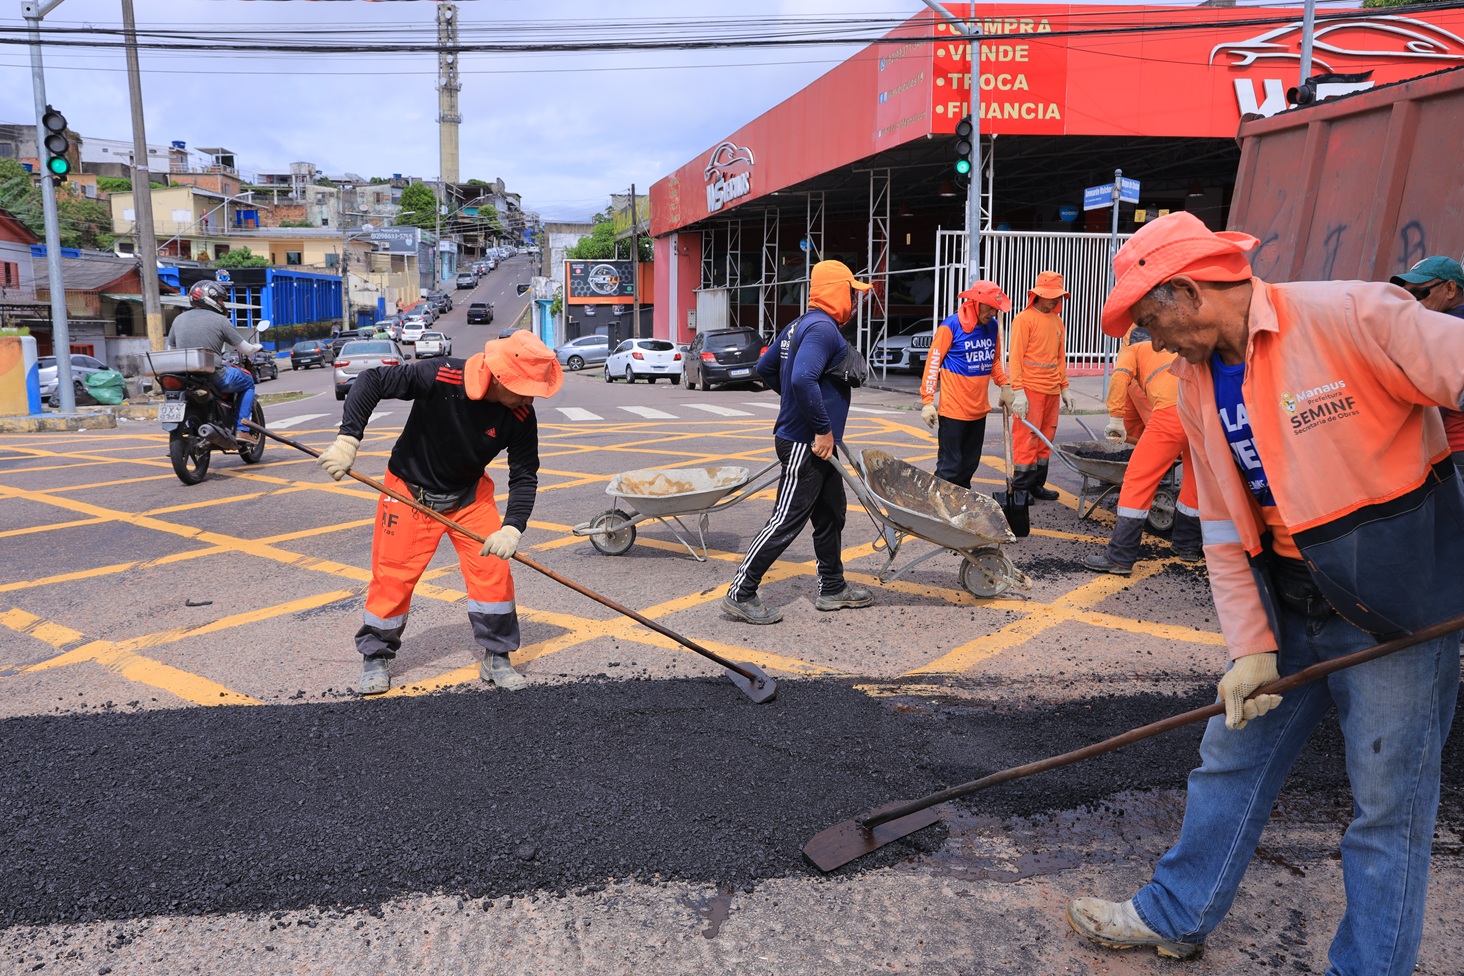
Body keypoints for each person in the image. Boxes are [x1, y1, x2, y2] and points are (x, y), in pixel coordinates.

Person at [1065, 211, 1464, 974]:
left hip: (1395, 615)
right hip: (1287, 606)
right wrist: (1251, 645)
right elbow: (1221, 523)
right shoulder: (1194, 384)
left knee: (1389, 809)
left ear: (1190, 293)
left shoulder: (1353, 317)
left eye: (1152, 323)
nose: (1155, 345)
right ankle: (1176, 914)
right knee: (1229, 760)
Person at [314, 331, 563, 695]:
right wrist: (348, 439)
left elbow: (524, 474)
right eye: (524, 388)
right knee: (393, 577)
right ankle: (375, 655)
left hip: (469, 496)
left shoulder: (521, 415)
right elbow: (371, 380)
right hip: (408, 492)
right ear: (499, 376)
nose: (529, 397)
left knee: (493, 573)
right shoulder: (440, 375)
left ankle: (497, 655)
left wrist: (512, 528)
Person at [722, 259, 875, 625]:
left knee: (831, 514)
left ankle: (833, 588)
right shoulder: (822, 329)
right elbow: (802, 379)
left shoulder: (799, 324)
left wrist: (800, 407)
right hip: (807, 443)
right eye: (851, 293)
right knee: (786, 520)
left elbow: (765, 369)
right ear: (837, 292)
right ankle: (740, 592)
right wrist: (821, 428)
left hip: (817, 444)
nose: (855, 301)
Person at [1081, 326, 1202, 573]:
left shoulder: (1132, 350)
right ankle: (1187, 545)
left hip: (1171, 414)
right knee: (1195, 480)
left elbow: (1120, 376)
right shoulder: (1172, 349)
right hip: (1201, 413)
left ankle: (1120, 557)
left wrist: (1116, 418)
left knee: (1138, 481)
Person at [919, 280, 1015, 489]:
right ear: (975, 302)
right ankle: (938, 506)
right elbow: (933, 363)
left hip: (979, 411)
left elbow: (994, 361)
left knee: (968, 466)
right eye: (989, 307)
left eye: (996, 308)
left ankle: (960, 503)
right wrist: (927, 401)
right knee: (949, 468)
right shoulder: (951, 326)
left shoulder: (992, 327)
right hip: (954, 412)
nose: (993, 312)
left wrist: (1005, 385)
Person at [165, 279, 262, 446]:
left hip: (186, 377)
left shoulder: (178, 319)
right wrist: (257, 347)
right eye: (220, 299)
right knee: (248, 381)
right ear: (209, 298)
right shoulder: (220, 320)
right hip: (214, 375)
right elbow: (246, 349)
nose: (222, 303)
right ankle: (242, 430)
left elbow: (170, 351)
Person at [1007, 270, 1076, 500]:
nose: (1056, 300)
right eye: (1052, 295)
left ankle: (1036, 485)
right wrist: (1018, 391)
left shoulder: (1058, 321)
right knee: (1026, 438)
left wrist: (1064, 388)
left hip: (1052, 390)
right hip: (1031, 390)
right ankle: (1021, 489)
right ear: (1039, 294)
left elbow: (1059, 357)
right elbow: (1015, 357)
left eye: (1059, 296)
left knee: (1046, 438)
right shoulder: (1024, 319)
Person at [1391, 255, 1464, 472]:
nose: (1413, 302)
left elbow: (1437, 401)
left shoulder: (1448, 328)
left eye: (1420, 293)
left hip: (1453, 450)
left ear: (1450, 289)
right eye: (1407, 294)